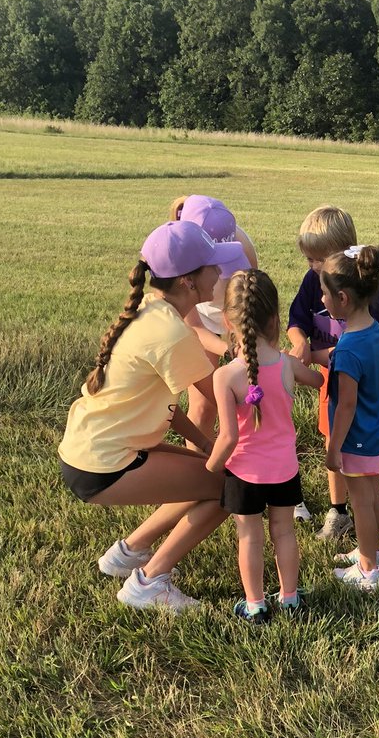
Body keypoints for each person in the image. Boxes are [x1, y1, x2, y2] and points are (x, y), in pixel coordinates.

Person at [58, 220, 247, 611]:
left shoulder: (153, 312)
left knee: (211, 472)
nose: (220, 273)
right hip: (104, 465)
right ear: (188, 283)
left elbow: (168, 406)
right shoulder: (173, 334)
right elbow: (227, 397)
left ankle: (128, 553)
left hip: (92, 450)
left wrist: (208, 445)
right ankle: (148, 581)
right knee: (232, 488)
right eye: (213, 266)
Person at [287, 205, 379, 542]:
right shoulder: (314, 282)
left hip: (371, 386)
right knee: (336, 441)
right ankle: (337, 512)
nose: (313, 267)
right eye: (309, 260)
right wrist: (300, 343)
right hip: (336, 381)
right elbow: (296, 320)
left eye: (318, 259)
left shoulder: (374, 294)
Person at [205, 269, 323, 623]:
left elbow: (228, 438)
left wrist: (210, 468)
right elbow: (318, 381)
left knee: (249, 538)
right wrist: (309, 355)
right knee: (284, 532)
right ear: (275, 318)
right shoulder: (287, 365)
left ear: (227, 320)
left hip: (243, 473)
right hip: (284, 469)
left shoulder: (225, 376)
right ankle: (290, 598)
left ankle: (255, 604)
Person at [320, 245, 379, 591]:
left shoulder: (348, 347)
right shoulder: (374, 329)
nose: (322, 300)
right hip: (378, 431)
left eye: (324, 293)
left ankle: (368, 572)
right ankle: (372, 552)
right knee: (373, 495)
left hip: (357, 438)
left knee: (361, 502)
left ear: (342, 298)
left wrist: (333, 448)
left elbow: (346, 406)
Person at [167, 195, 256, 441]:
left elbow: (249, 304)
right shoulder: (177, 263)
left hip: (232, 318)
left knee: (241, 397)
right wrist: (228, 350)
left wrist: (243, 344)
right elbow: (193, 326)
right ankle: (200, 468)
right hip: (199, 322)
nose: (220, 273)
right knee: (205, 405)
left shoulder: (242, 245)